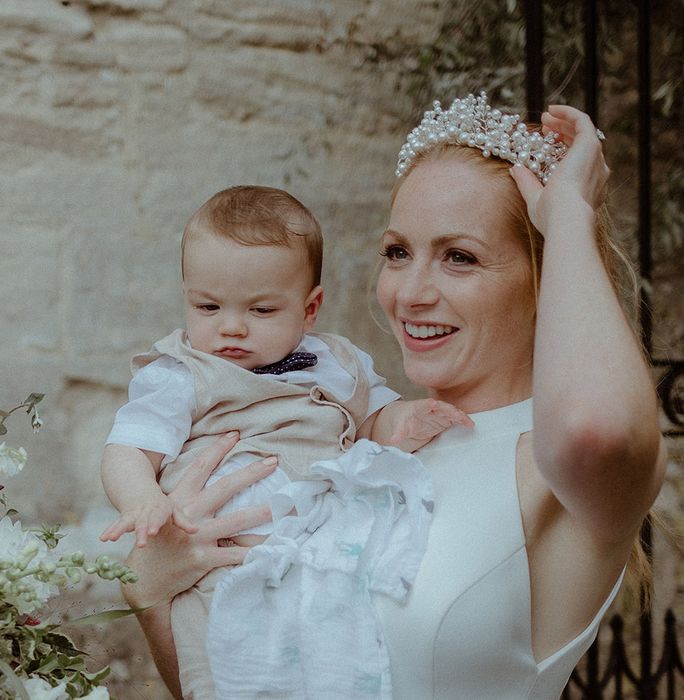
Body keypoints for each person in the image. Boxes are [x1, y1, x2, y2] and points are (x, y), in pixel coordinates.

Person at [121, 95, 666, 699]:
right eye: (398, 253)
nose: (410, 293)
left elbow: (600, 430)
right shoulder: (353, 445)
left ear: (545, 277)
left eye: (460, 258)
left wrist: (568, 215)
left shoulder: (556, 469)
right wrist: (150, 592)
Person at [101, 184, 471, 698]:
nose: (231, 328)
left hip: (317, 552)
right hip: (213, 556)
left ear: (310, 307)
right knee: (218, 665)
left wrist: (409, 418)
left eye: (261, 311)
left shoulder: (341, 364)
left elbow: (374, 421)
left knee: (330, 658)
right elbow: (128, 448)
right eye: (207, 307)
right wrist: (142, 497)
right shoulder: (180, 374)